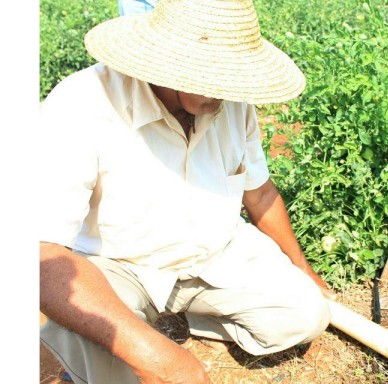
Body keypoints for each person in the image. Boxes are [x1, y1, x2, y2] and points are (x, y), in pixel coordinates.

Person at [39, 1, 336, 383]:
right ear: (165, 59)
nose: (225, 91)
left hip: (213, 256)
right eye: (211, 74)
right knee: (97, 343)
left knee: (305, 314)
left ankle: (180, 315)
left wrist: (303, 269)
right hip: (119, 265)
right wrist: (159, 357)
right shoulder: (83, 103)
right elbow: (41, 254)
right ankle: (134, 327)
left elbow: (259, 193)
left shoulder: (232, 101)